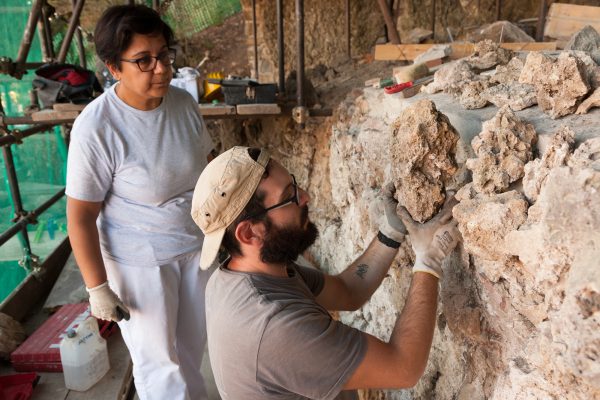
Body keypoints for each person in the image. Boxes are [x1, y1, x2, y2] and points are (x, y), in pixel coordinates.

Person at [190, 146, 461, 399]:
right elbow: (404, 367)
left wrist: (391, 232)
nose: (305, 196)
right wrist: (429, 259)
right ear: (250, 232)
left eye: (294, 184)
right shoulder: (275, 327)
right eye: (288, 197)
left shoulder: (248, 273)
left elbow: (348, 291)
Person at [65, 5, 214, 400]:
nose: (161, 68)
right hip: (139, 263)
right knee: (159, 365)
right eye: (143, 61)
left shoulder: (183, 104)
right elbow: (80, 217)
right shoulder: (97, 127)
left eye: (164, 54)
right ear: (114, 68)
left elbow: (206, 169)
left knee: (191, 352)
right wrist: (98, 287)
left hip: (193, 249)